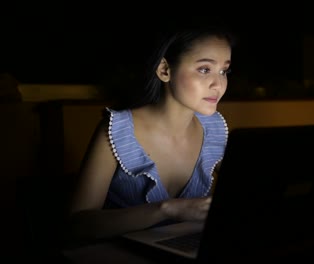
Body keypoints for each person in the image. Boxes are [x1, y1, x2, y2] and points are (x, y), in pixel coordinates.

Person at [64, 25, 236, 246]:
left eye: (224, 71)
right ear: (164, 70)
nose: (219, 84)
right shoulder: (117, 130)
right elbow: (77, 225)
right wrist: (167, 209)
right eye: (204, 69)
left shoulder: (214, 129)